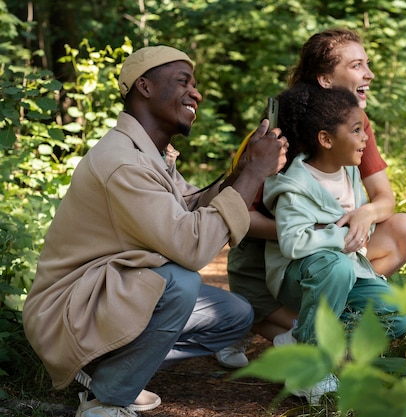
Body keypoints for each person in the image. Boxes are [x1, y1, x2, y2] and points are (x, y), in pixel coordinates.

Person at [22, 45, 288, 417]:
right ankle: (107, 400)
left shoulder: (150, 154)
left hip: (104, 300)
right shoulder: (122, 162)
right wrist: (255, 175)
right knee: (179, 281)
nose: (196, 92)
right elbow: (191, 247)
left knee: (234, 315)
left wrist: (241, 173)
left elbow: (190, 207)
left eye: (195, 84)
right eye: (183, 81)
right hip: (68, 315)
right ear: (144, 87)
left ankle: (111, 374)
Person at [219, 28, 406, 368]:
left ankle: (310, 325)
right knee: (327, 274)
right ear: (326, 78)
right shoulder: (278, 130)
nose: (369, 74)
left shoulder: (356, 124)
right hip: (273, 265)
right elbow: (237, 216)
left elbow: (385, 197)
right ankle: (259, 321)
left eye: (367, 64)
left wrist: (365, 214)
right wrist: (309, 230)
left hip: (330, 253)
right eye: (357, 65)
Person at [262, 83, 406, 403]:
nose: (365, 138)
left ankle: (302, 338)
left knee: (401, 314)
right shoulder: (296, 184)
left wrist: (363, 219)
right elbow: (291, 242)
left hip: (345, 268)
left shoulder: (351, 172)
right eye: (357, 131)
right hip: (297, 274)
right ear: (326, 139)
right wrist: (340, 234)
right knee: (338, 268)